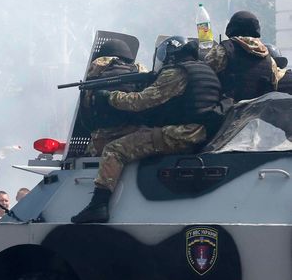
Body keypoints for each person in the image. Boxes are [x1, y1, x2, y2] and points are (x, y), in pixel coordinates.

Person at [72, 37, 224, 224]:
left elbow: (141, 102)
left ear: (169, 55)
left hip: (182, 134)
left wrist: (110, 97)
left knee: (114, 149)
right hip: (202, 132)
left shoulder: (177, 73)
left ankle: (98, 205)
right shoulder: (205, 70)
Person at [82, 39, 149, 156]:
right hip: (135, 137)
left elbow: (86, 113)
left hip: (101, 140)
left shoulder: (93, 74)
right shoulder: (139, 70)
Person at [205, 11, 277, 102]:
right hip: (259, 111)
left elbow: (205, 74)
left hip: (230, 111)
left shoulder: (224, 50)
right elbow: (274, 85)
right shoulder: (268, 58)